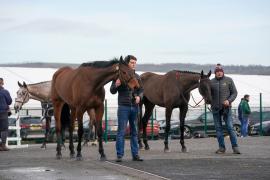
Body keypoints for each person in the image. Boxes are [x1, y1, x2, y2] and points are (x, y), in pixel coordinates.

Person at [110, 55, 144, 162]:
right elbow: (112, 90)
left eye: (135, 63)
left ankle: (135, 155)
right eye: (132, 62)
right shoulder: (119, 75)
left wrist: (139, 97)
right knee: (121, 132)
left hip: (134, 107)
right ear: (127, 63)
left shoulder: (137, 77)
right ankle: (119, 155)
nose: (134, 64)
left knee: (135, 132)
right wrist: (116, 84)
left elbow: (141, 90)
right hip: (123, 107)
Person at [210, 64, 241, 154]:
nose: (219, 73)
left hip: (226, 108)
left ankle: (235, 147)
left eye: (220, 71)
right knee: (218, 128)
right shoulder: (211, 82)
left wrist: (229, 100)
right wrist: (207, 99)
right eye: (217, 72)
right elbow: (208, 94)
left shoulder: (229, 80)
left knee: (230, 127)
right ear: (215, 73)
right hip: (215, 108)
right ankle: (221, 148)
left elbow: (234, 93)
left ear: (223, 72)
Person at [0, 78, 12, 151]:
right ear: (2, 83)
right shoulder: (4, 92)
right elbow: (9, 101)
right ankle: (3, 145)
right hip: (3, 112)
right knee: (4, 129)